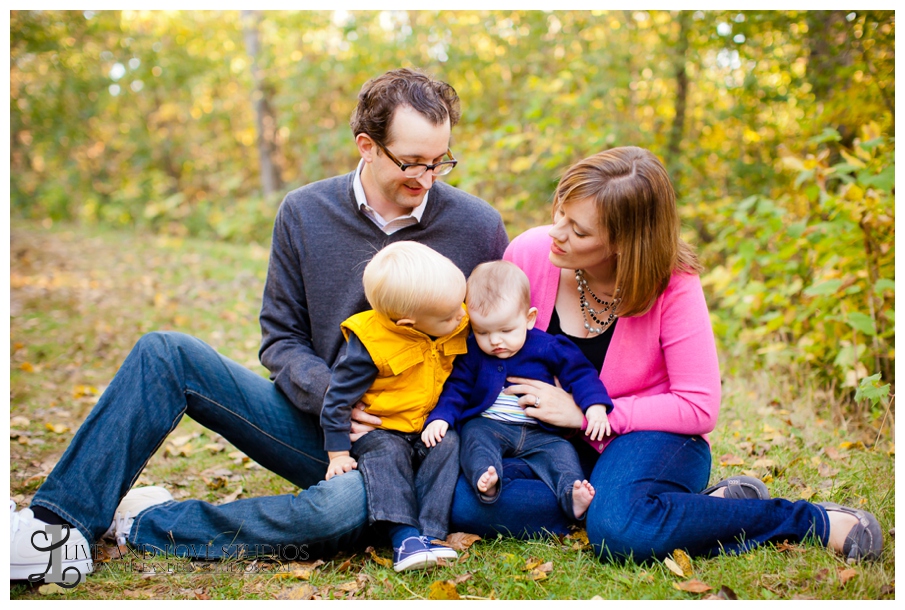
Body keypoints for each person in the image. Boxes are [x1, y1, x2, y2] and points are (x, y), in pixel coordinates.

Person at [9, 67, 509, 584]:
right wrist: (333, 395)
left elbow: (501, 337)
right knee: (166, 353)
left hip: (410, 444)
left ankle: (144, 522)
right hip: (319, 422)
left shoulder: (478, 227)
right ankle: (55, 527)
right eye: (410, 162)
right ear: (366, 145)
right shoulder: (304, 212)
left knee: (335, 515)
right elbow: (280, 339)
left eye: (438, 162)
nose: (425, 178)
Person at [448, 146, 883, 564]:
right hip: (552, 447)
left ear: (625, 243)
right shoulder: (529, 254)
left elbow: (698, 406)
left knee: (618, 530)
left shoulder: (674, 286)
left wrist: (587, 415)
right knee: (469, 500)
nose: (556, 232)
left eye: (579, 230)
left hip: (651, 437)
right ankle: (670, 509)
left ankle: (806, 520)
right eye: (561, 210)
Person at [422, 260, 611, 521]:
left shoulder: (547, 346)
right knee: (474, 437)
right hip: (491, 426)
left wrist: (595, 407)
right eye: (482, 332)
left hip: (539, 431)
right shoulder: (473, 353)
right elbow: (457, 389)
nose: (495, 341)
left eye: (506, 330)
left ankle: (572, 494)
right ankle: (486, 479)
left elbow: (580, 374)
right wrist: (441, 417)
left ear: (529, 318)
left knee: (562, 454)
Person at [320, 241, 468, 571]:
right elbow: (337, 400)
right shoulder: (370, 344)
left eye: (461, 303)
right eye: (449, 315)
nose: (461, 315)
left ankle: (431, 534)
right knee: (387, 457)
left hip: (427, 424)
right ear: (407, 324)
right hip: (381, 427)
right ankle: (405, 539)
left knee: (449, 444)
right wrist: (338, 454)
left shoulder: (450, 314)